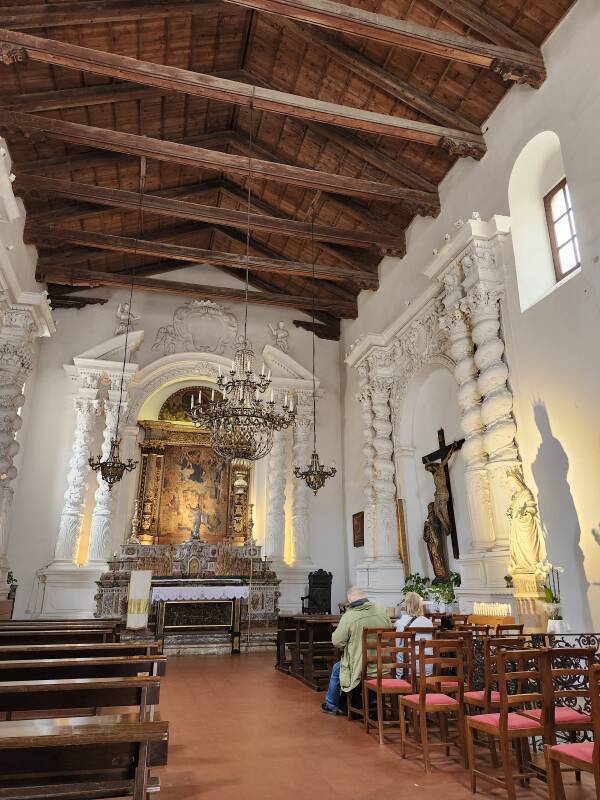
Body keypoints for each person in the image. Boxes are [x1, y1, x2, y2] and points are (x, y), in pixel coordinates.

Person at [322, 587, 391, 715]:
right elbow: (390, 631)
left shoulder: (349, 616)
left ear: (349, 600)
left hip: (360, 667)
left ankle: (331, 704)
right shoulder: (382, 611)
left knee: (337, 668)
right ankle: (370, 700)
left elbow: (337, 641)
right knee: (342, 666)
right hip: (384, 665)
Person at [395, 592, 433, 676]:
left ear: (406, 605)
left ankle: (399, 679)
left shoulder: (401, 623)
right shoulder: (429, 622)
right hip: (428, 668)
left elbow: (397, 647)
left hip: (409, 669)